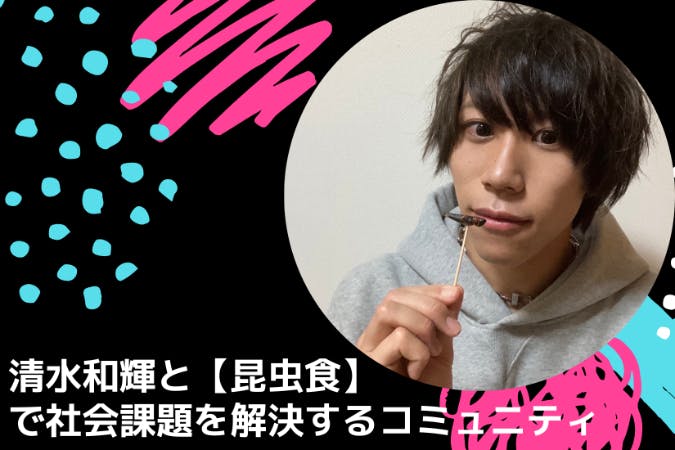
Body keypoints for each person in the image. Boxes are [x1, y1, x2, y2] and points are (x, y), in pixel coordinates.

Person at [326, 3, 655, 390]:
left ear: (599, 167)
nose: (501, 177)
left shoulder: (651, 323)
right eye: (480, 128)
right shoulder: (370, 296)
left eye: (548, 137)